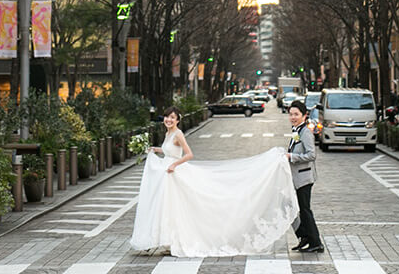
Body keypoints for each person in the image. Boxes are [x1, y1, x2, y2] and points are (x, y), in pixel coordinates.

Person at [130, 106, 297, 256]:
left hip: (174, 172)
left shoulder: (178, 134)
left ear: (178, 120)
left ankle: (175, 239)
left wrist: (174, 164)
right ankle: (167, 239)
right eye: (167, 117)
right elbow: (169, 151)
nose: (169, 120)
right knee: (169, 208)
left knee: (180, 207)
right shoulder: (168, 133)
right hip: (167, 174)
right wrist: (155, 149)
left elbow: (188, 154)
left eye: (173, 117)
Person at [287, 101, 323, 253]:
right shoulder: (297, 130)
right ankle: (304, 237)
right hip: (297, 177)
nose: (293, 117)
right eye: (291, 114)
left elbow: (311, 155)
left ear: (304, 115)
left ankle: (316, 242)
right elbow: (295, 148)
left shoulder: (306, 132)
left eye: (296, 114)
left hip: (304, 178)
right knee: (292, 208)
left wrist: (292, 157)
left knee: (305, 210)